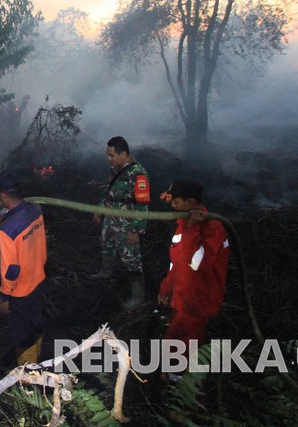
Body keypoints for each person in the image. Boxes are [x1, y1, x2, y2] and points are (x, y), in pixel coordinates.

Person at [157, 179, 230, 368]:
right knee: (191, 342)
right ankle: (194, 385)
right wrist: (166, 287)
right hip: (183, 296)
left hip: (199, 299)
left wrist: (192, 228)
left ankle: (177, 384)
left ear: (191, 202)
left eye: (176, 202)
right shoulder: (183, 224)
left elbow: (197, 262)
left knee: (176, 341)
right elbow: (176, 262)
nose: (172, 206)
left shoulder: (213, 227)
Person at [0, 170, 48, 365]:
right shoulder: (35, 209)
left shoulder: (7, 231)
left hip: (21, 292)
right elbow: (23, 231)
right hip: (39, 280)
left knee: (23, 333)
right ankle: (38, 356)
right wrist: (1, 219)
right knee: (37, 324)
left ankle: (28, 373)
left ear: (3, 196)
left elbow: (11, 269)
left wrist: (4, 297)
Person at [91, 136, 150, 310]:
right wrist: (99, 208)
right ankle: (105, 272)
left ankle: (137, 296)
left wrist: (136, 230)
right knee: (106, 244)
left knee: (131, 259)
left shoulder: (138, 174)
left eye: (112, 155)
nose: (109, 159)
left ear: (124, 153)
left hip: (127, 224)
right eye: (108, 155)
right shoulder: (115, 169)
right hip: (110, 218)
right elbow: (107, 190)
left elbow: (143, 204)